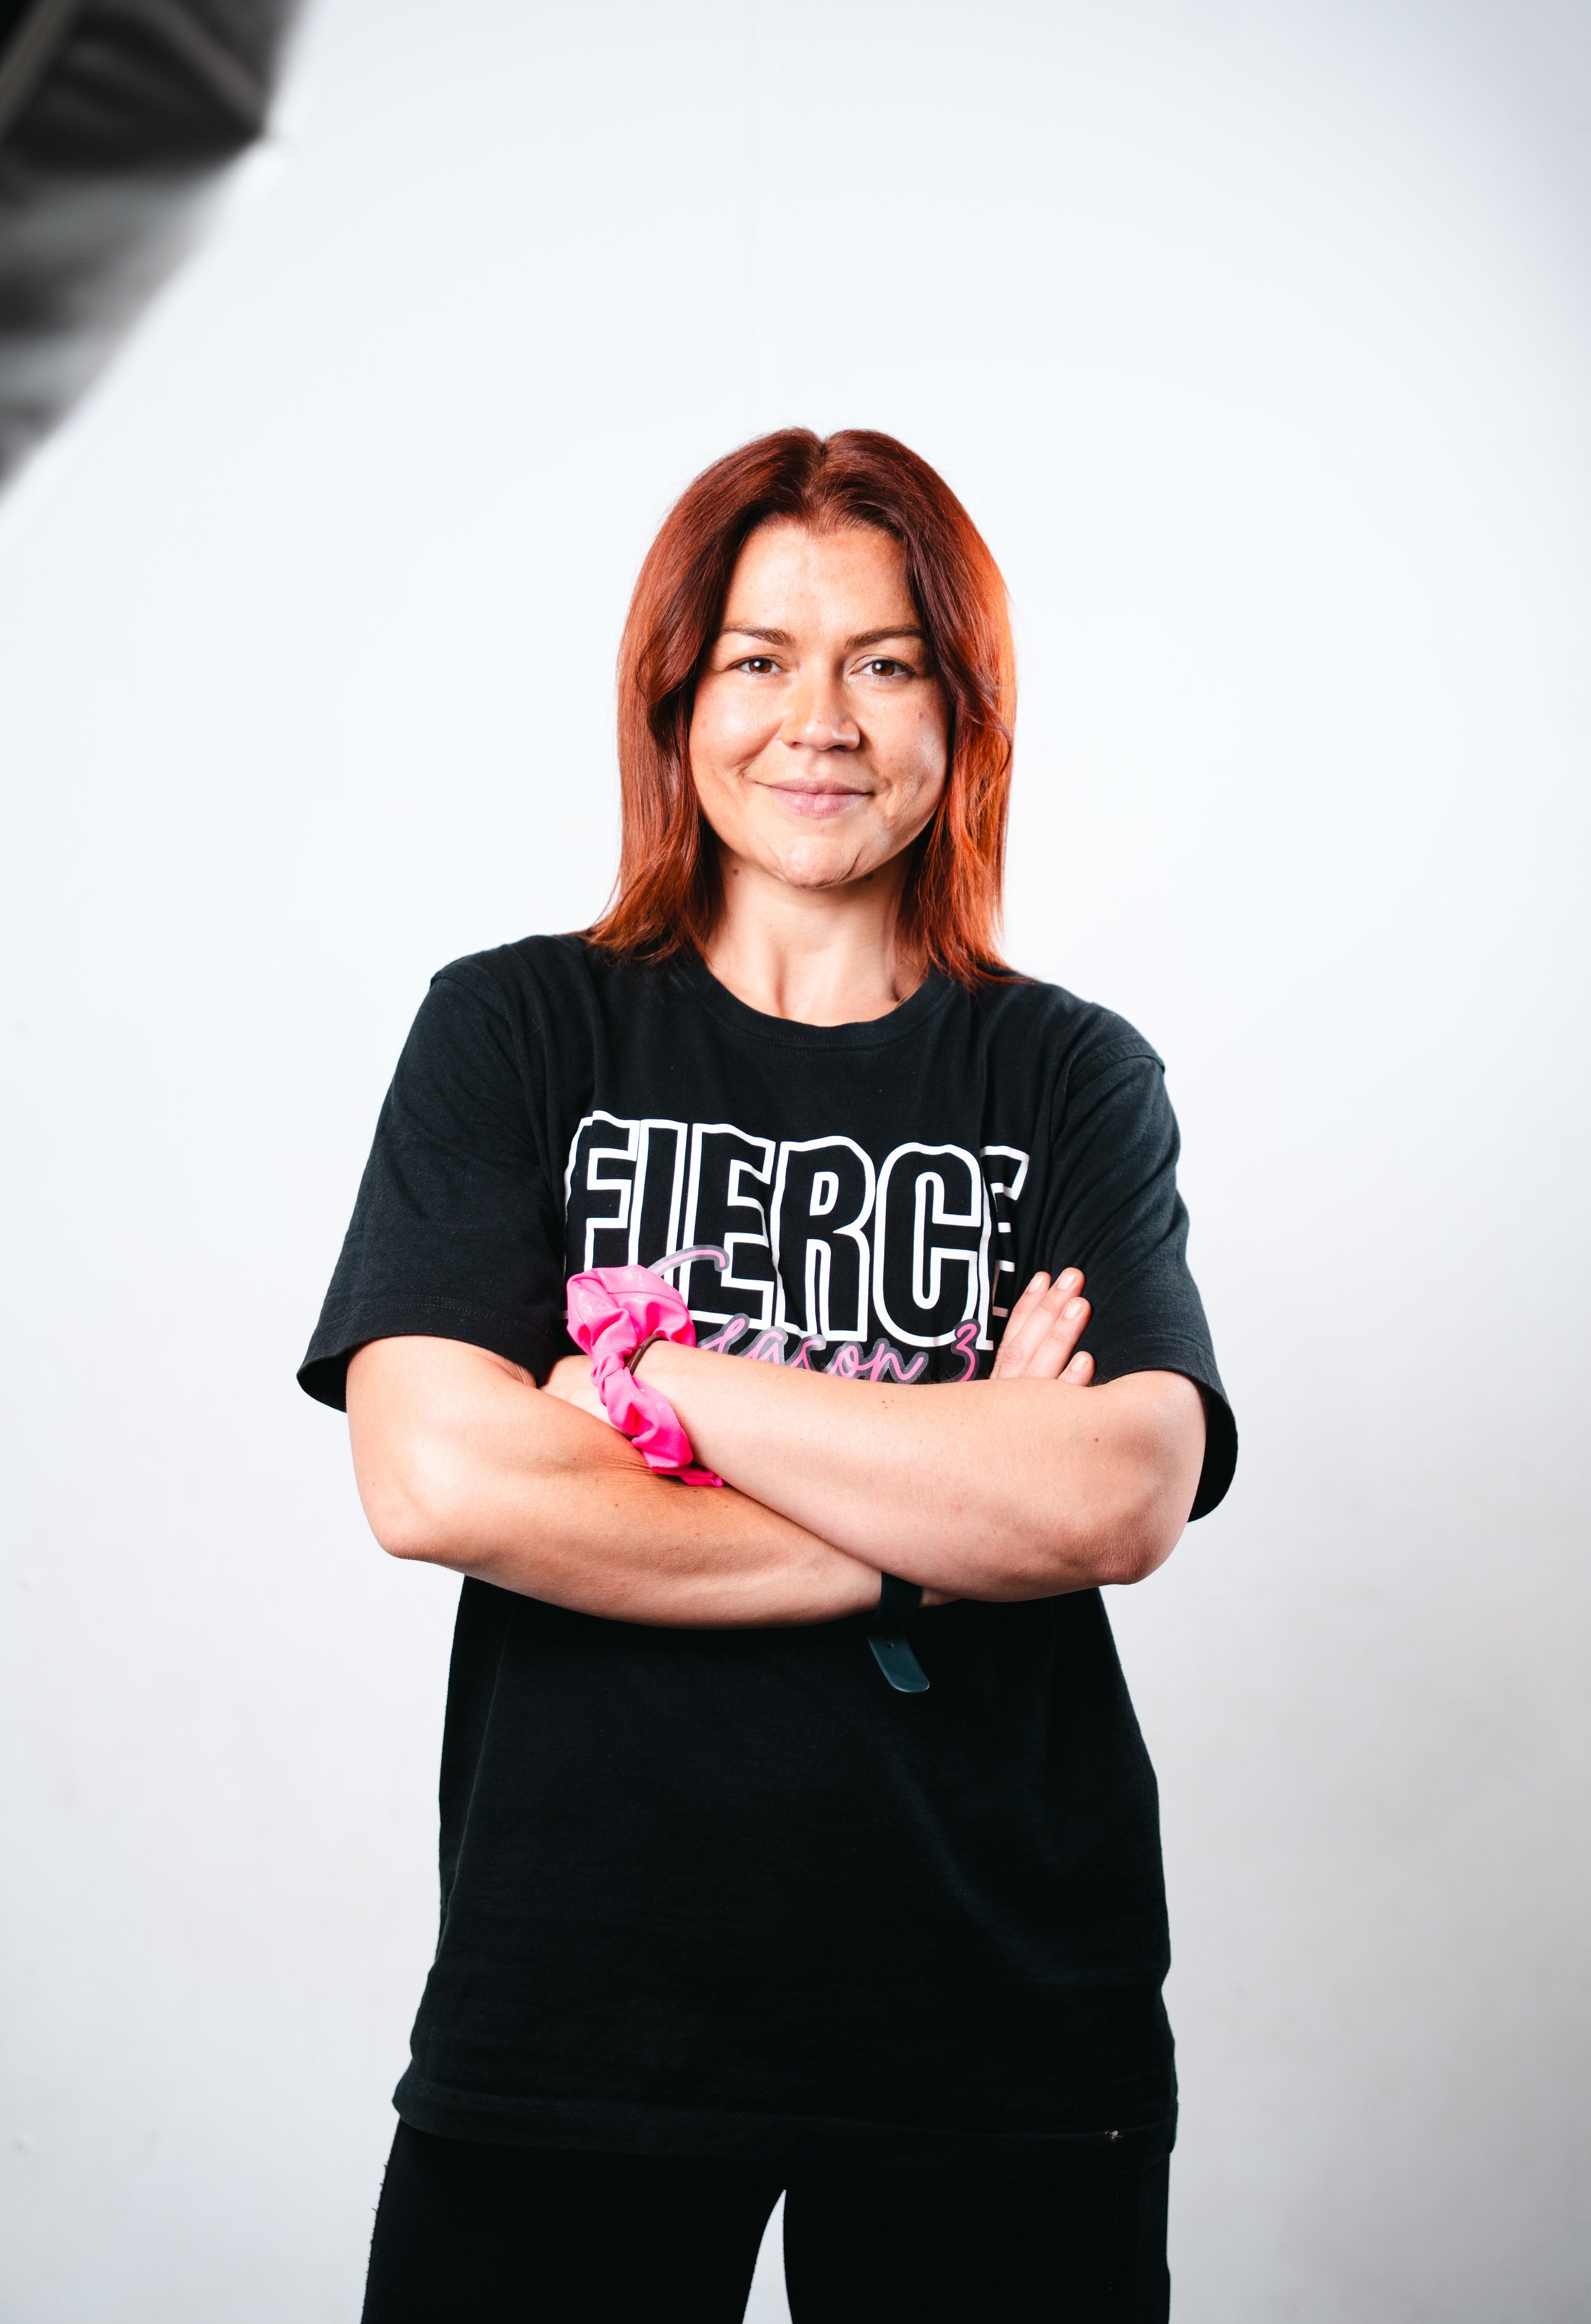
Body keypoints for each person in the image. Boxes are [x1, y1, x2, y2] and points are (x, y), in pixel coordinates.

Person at [299, 428, 1237, 2322]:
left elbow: (1112, 1496)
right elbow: (440, 1483)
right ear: (676, 697)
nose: (820, 719)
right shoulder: (515, 1029)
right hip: (577, 2004)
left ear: (960, 712)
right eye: (758, 657)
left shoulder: (1066, 1078)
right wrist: (935, 1513)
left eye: (884, 662)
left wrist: (653, 1381)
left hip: (999, 2024)